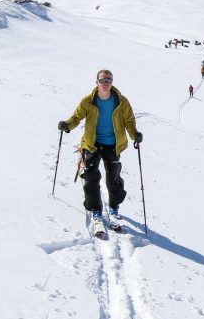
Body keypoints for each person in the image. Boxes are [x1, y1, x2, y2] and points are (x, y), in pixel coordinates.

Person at [57, 69, 142, 236]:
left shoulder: (121, 102)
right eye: (103, 79)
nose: (106, 82)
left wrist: (135, 135)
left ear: (112, 82)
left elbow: (129, 122)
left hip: (113, 145)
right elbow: (77, 117)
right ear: (96, 82)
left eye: (109, 80)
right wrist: (67, 125)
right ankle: (96, 211)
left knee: (113, 178)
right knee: (90, 177)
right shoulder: (88, 101)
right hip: (92, 143)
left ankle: (113, 209)